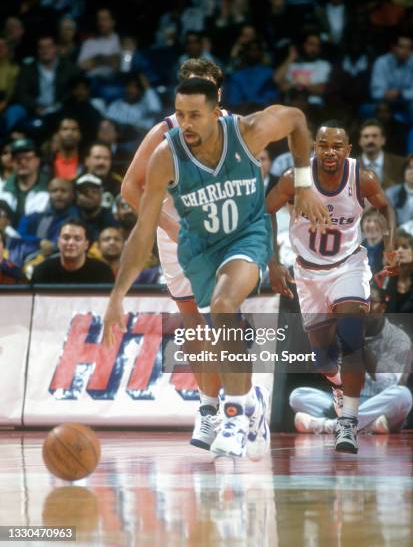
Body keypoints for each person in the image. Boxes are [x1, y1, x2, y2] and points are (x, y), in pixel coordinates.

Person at [103, 77, 329, 459]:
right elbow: (143, 231)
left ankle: (236, 415)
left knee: (225, 305)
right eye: (180, 114)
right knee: (213, 327)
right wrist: (117, 296)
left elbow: (296, 119)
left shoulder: (248, 131)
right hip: (198, 248)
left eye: (195, 115)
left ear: (215, 111)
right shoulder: (166, 154)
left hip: (246, 234)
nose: (186, 123)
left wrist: (304, 185)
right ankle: (246, 401)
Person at [267, 120, 397, 454]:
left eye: (337, 146)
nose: (330, 152)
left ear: (348, 150)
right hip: (308, 274)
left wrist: (391, 244)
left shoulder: (361, 178)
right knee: (322, 359)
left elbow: (385, 208)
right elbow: (264, 212)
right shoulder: (295, 180)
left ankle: (348, 423)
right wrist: (273, 262)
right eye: (324, 145)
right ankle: (337, 385)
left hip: (348, 266)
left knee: (351, 334)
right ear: (315, 147)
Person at [121, 58, 228, 451]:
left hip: (222, 230)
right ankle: (208, 411)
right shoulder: (164, 131)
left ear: (218, 95)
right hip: (177, 237)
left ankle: (238, 410)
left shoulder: (236, 129)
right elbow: (130, 188)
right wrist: (170, 226)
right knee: (195, 326)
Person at [291, 284, 412, 435]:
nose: (362, 310)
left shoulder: (398, 338)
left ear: (382, 307)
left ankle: (328, 426)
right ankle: (368, 426)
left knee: (403, 396)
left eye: (369, 303)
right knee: (297, 396)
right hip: (351, 404)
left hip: (378, 403)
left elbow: (387, 384)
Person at [31, 218, 114, 284]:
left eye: (77, 239)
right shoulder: (42, 271)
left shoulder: (103, 272)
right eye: (66, 238)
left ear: (86, 245)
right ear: (59, 242)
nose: (71, 243)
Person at [0, 137, 49, 225]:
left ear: (37, 161)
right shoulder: (2, 189)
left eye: (27, 158)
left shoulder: (50, 189)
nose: (22, 162)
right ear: (12, 162)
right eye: (18, 159)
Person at [357, 119, 404, 188]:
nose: (370, 140)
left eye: (375, 136)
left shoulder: (400, 163)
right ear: (360, 141)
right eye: (366, 136)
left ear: (383, 140)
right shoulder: (350, 167)